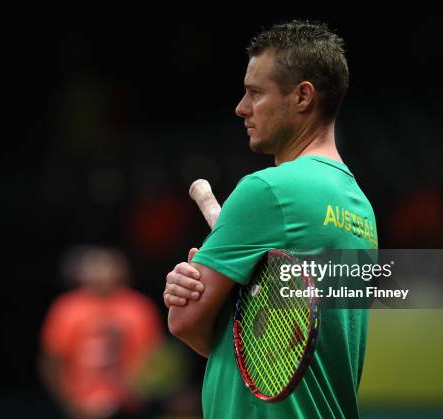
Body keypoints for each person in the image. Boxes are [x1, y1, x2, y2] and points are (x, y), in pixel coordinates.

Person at [163, 20, 378, 418]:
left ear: (302, 97)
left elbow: (184, 323)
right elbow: (287, 347)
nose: (241, 108)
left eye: (255, 93)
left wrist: (195, 290)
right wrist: (230, 294)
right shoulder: (360, 207)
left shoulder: (267, 191)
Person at [40, 246, 163, 419]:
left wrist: (137, 394)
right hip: (79, 406)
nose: (103, 274)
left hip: (128, 407)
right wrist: (70, 404)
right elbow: (52, 361)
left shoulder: (139, 308)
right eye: (96, 268)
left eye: (109, 267)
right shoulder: (66, 308)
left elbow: (155, 358)